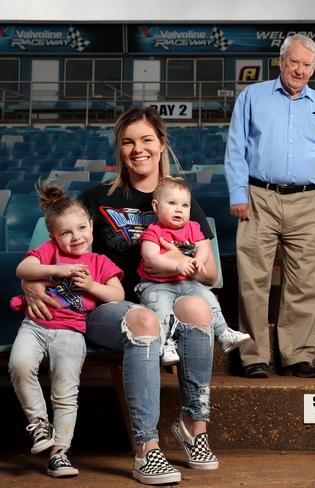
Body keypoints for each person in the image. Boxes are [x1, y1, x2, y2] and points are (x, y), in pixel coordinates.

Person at [20, 107, 219, 485]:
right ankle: (146, 450)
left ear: (162, 144)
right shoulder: (97, 197)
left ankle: (195, 427)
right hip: (105, 307)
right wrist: (31, 282)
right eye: (128, 141)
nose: (137, 149)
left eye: (146, 140)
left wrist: (178, 260)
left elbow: (209, 274)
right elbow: (47, 249)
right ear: (119, 149)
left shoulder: (183, 201)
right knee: (142, 319)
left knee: (196, 306)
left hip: (168, 301)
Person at [225, 34, 315, 379]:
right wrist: (237, 194)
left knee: (306, 281)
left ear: (314, 68)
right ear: (281, 61)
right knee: (253, 279)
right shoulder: (253, 96)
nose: (299, 69)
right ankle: (253, 357)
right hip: (258, 196)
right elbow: (236, 147)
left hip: (309, 201)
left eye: (307, 64)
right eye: (294, 62)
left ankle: (296, 356)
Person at [9, 184, 124, 478]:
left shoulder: (99, 261)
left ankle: (60, 453)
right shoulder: (48, 253)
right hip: (34, 326)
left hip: (71, 332)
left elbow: (117, 296)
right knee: (19, 365)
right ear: (53, 237)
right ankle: (39, 425)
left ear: (91, 226)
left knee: (65, 391)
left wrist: (91, 287)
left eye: (82, 228)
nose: (76, 237)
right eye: (66, 233)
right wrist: (57, 271)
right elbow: (23, 269)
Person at [136, 176, 250, 366]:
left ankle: (223, 332)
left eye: (185, 205)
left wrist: (198, 260)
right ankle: (165, 345)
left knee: (208, 298)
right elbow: (150, 257)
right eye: (172, 203)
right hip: (156, 286)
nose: (179, 209)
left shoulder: (193, 227)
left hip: (186, 283)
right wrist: (178, 264)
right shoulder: (153, 231)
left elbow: (204, 248)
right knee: (161, 310)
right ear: (156, 207)